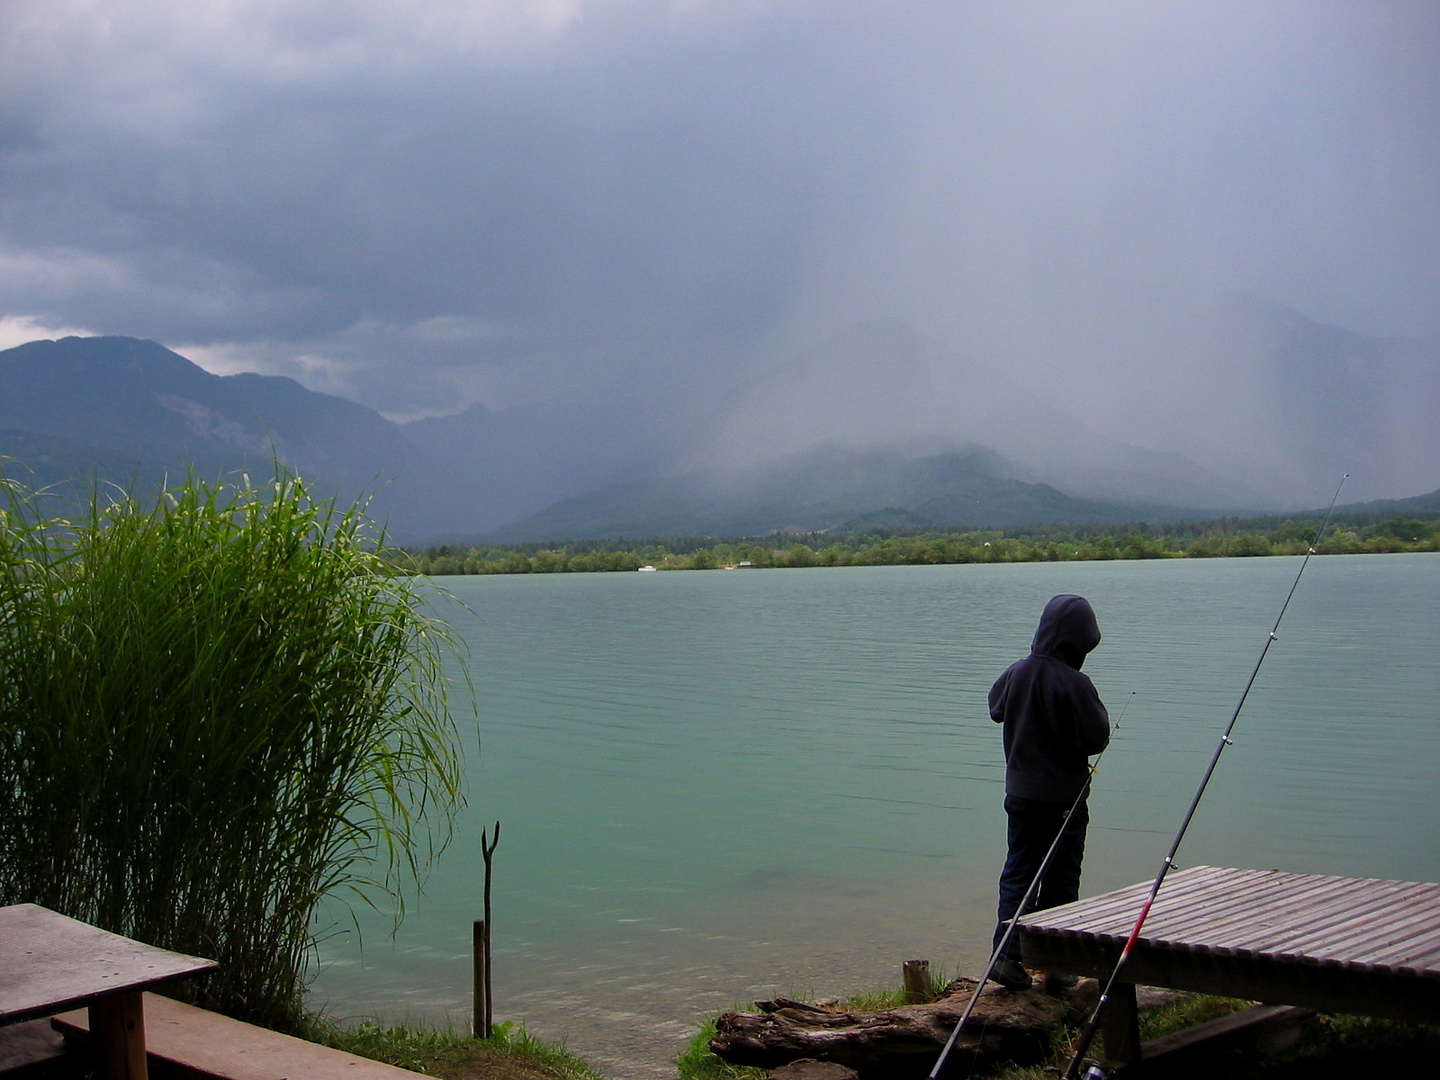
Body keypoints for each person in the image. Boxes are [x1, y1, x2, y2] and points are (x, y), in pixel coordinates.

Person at [987, 593, 1110, 991]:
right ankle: (1057, 965)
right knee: (1060, 876)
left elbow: (996, 708)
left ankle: (1006, 957)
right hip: (1063, 801)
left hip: (1020, 795)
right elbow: (1097, 737)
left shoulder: (1015, 673)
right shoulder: (1076, 683)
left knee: (1019, 871)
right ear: (1080, 641)